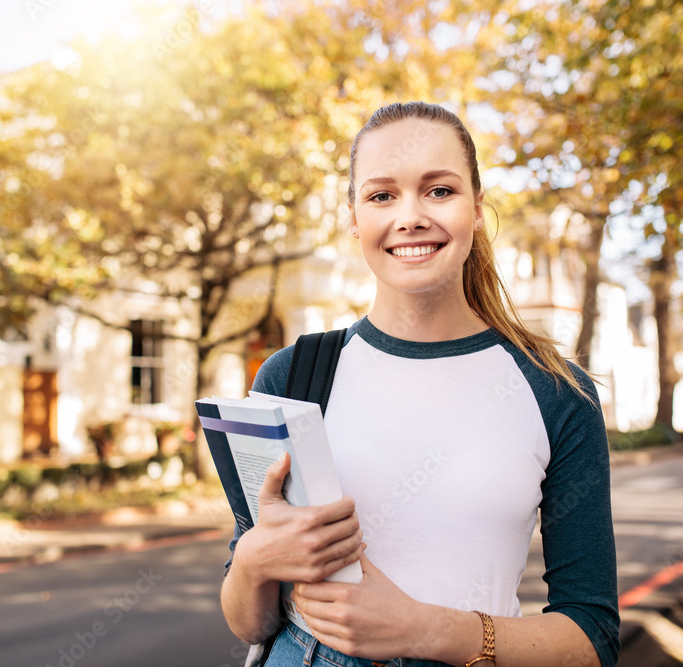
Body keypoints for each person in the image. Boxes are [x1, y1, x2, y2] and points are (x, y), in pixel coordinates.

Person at [220, 101, 620, 667]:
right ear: (355, 217)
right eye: (382, 195)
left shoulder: (557, 392)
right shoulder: (291, 376)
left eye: (439, 191)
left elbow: (594, 638)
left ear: (477, 210)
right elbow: (248, 621)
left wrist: (427, 631)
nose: (410, 216)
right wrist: (256, 559)